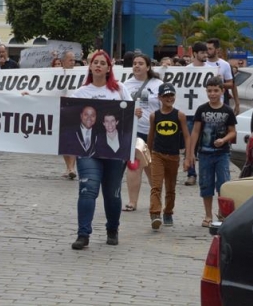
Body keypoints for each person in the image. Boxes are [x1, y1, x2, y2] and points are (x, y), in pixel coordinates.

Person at [70, 50, 137, 250]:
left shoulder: (119, 90)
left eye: (102, 63)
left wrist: (136, 112)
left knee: (112, 193)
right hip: (88, 151)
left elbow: (131, 113)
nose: (98, 65)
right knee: (88, 190)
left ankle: (112, 229)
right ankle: (83, 234)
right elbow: (65, 115)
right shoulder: (80, 93)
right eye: (95, 62)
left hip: (115, 151)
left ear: (109, 68)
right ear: (90, 66)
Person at [186, 76, 237, 228]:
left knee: (223, 184)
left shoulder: (227, 111)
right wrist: (191, 152)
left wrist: (224, 139)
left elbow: (233, 132)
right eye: (209, 91)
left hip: (222, 153)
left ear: (222, 91)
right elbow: (195, 131)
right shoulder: (202, 110)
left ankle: (222, 213)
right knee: (206, 184)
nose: (213, 94)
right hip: (205, 153)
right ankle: (208, 215)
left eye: (216, 90)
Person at [122, 53, 163, 212]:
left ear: (148, 66)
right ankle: (133, 201)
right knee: (135, 165)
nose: (137, 66)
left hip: (153, 131)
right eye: (134, 63)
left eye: (140, 63)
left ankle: (157, 198)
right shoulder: (126, 85)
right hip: (135, 131)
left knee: (151, 167)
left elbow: (165, 106)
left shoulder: (158, 84)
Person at [147, 83, 190, 230]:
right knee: (156, 186)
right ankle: (155, 213)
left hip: (173, 156)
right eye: (165, 96)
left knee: (170, 188)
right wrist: (148, 154)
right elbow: (151, 137)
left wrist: (188, 156)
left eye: (171, 95)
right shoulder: (154, 116)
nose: (169, 98)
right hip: (157, 154)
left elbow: (186, 136)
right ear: (159, 97)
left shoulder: (179, 115)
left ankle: (168, 211)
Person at [183, 41, 208, 186]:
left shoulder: (211, 70)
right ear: (195, 53)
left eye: (206, 52)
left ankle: (205, 174)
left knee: (205, 145)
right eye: (202, 52)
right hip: (190, 113)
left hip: (206, 113)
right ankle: (191, 173)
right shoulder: (186, 69)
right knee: (190, 144)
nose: (205, 55)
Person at [206, 38, 240, 116]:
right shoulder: (202, 64)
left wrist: (237, 104)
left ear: (217, 50)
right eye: (206, 48)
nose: (207, 51)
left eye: (210, 49)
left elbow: (231, 84)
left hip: (222, 103)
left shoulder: (225, 65)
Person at [60, 50, 77, 178]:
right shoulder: (57, 74)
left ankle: (72, 168)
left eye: (74, 60)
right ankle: (68, 166)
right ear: (63, 61)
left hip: (76, 110)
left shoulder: (79, 73)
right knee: (64, 140)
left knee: (74, 139)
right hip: (61, 109)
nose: (73, 62)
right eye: (70, 60)